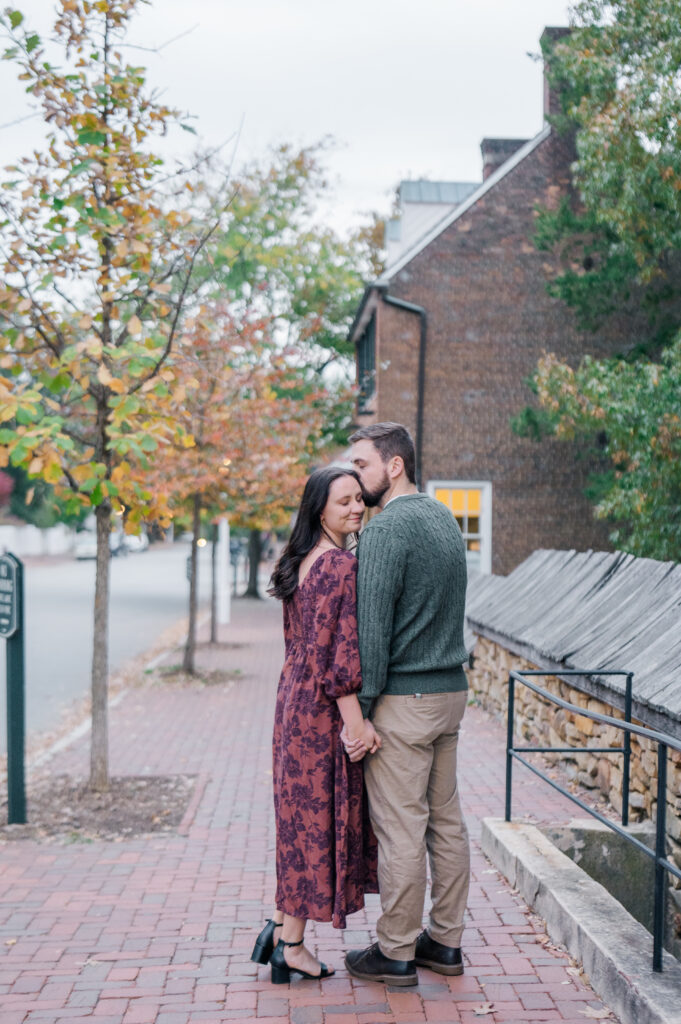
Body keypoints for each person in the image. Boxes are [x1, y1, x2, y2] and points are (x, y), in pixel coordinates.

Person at [343, 422, 470, 987]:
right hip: (450, 694)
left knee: (400, 829)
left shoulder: (386, 529)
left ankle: (394, 951)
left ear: (394, 465)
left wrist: (361, 711)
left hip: (405, 700)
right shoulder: (444, 517)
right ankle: (444, 942)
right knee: (445, 823)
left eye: (363, 465)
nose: (355, 475)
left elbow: (372, 631)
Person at [251, 465, 380, 984]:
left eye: (359, 499)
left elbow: (307, 649)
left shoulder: (300, 561)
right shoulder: (338, 566)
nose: (355, 508)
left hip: (292, 701)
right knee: (314, 824)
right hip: (323, 711)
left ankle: (280, 926)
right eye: (344, 501)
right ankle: (293, 946)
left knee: (297, 821)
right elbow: (339, 661)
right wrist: (358, 729)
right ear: (319, 510)